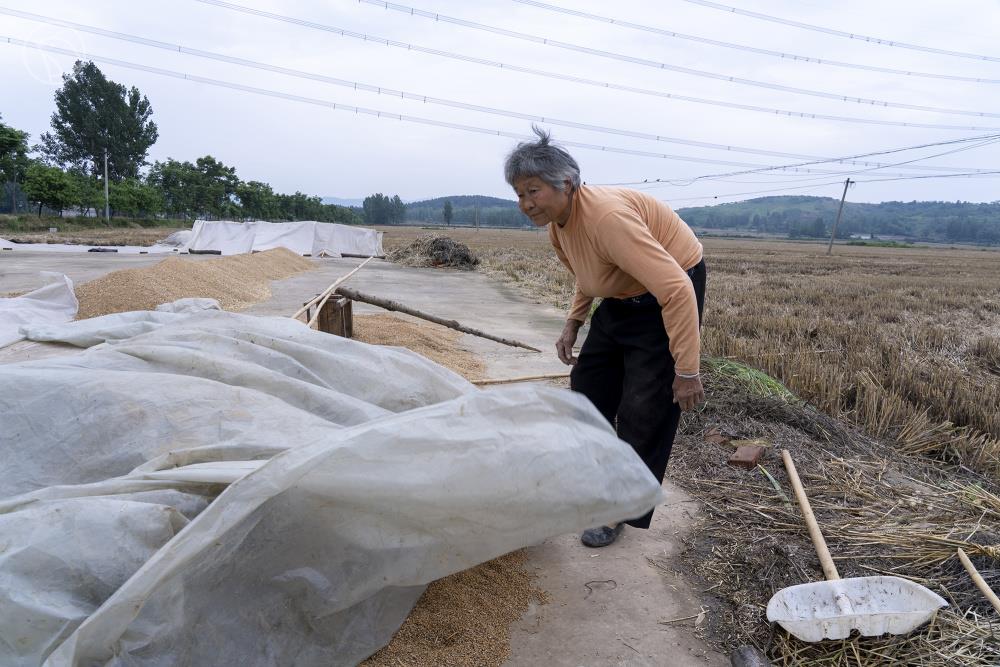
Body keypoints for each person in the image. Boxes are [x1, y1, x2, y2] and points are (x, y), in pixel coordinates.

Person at [504, 127, 707, 548]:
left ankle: (619, 507)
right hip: (622, 293)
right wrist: (573, 323)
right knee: (588, 387)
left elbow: (676, 289)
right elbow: (590, 273)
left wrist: (686, 370)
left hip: (666, 288)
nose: (525, 204)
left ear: (567, 184)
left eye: (533, 191)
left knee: (643, 406)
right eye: (520, 194)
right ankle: (593, 482)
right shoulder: (559, 225)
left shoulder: (608, 219)